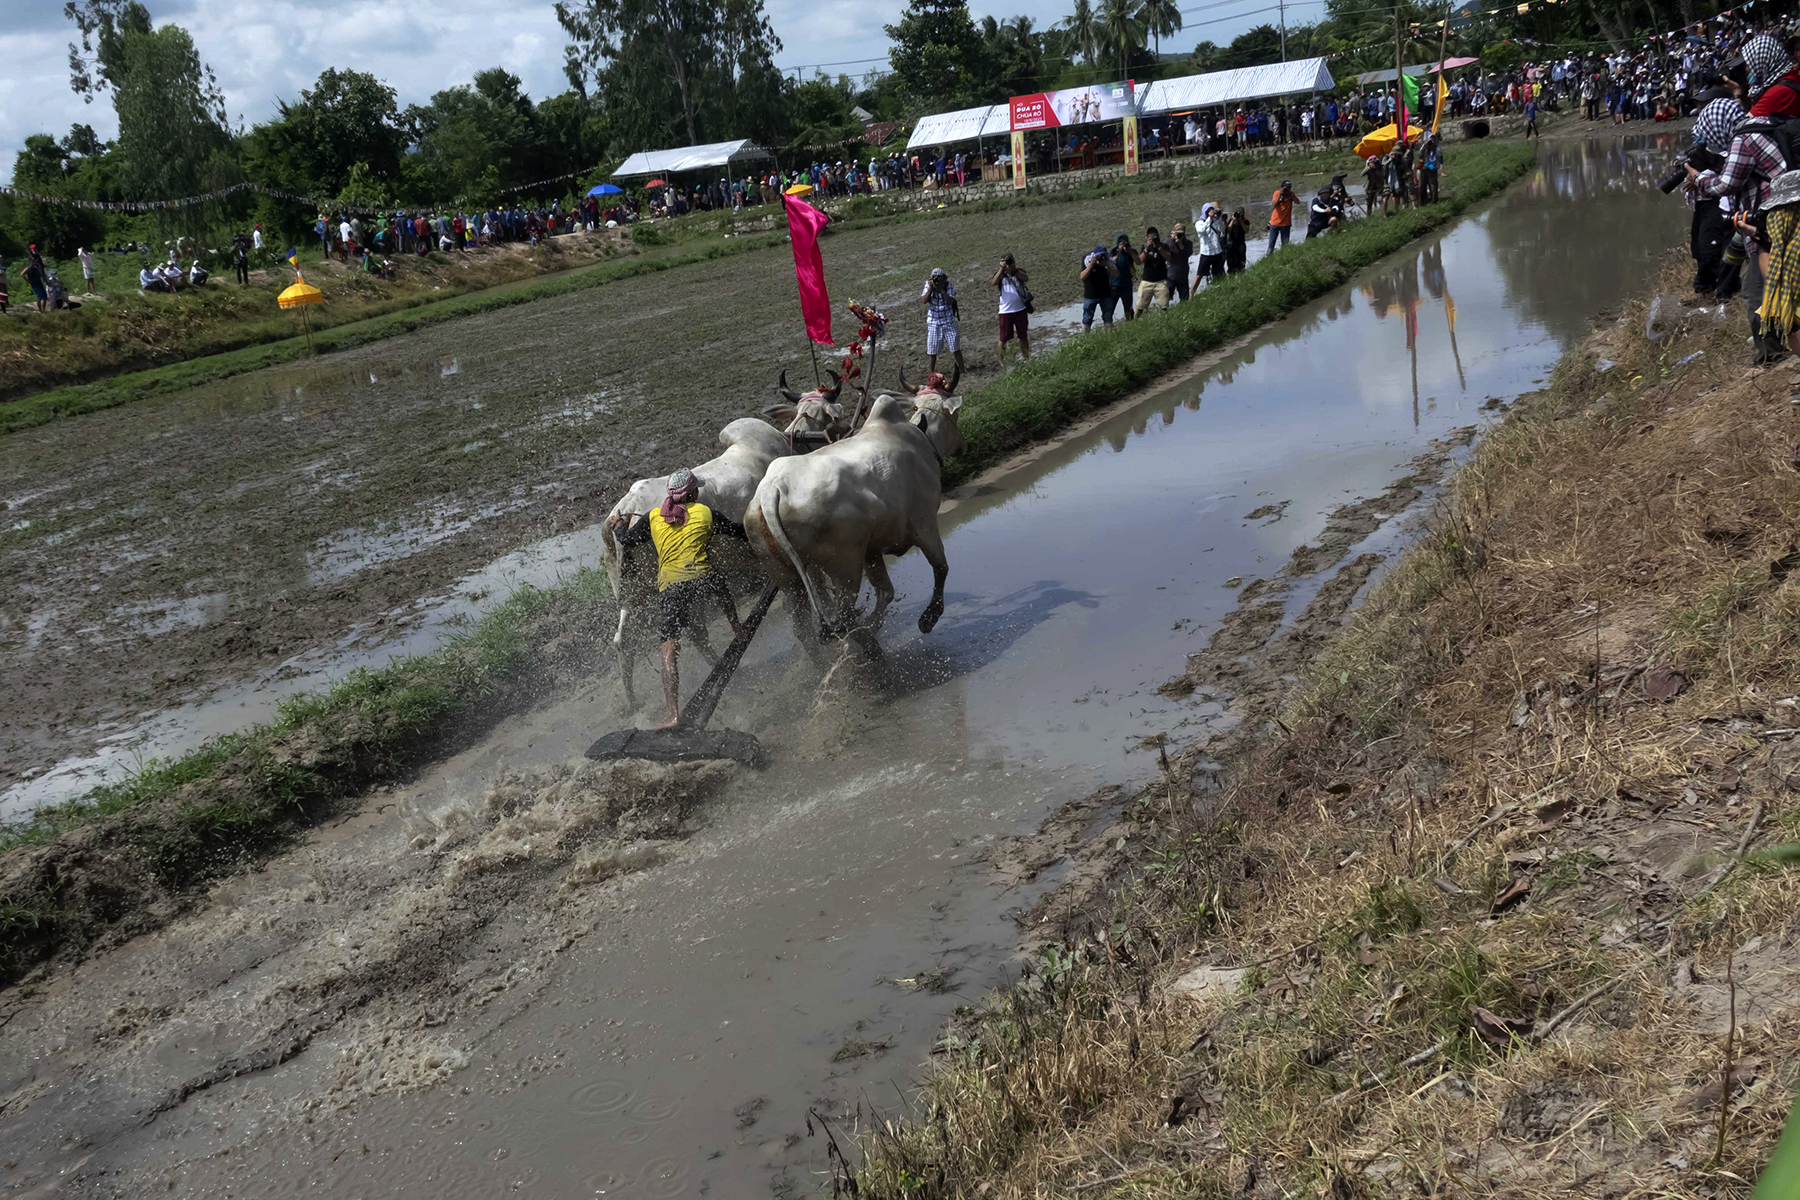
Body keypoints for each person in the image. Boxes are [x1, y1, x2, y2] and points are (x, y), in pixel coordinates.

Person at [612, 469, 748, 728]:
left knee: (669, 650)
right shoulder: (707, 513)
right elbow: (739, 532)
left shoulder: (653, 517)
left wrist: (618, 526)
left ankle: (672, 714)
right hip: (703, 577)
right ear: (694, 493)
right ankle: (738, 628)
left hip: (672, 586)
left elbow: (627, 540)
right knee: (721, 589)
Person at [921, 267, 965, 376]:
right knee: (932, 350)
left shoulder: (948, 285)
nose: (937, 281)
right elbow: (924, 300)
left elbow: (951, 301)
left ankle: (962, 369)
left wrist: (942, 290)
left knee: (955, 347)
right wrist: (931, 288)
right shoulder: (928, 285)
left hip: (948, 320)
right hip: (934, 321)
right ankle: (931, 373)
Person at [993, 252, 1031, 363]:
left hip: (1020, 309)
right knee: (1003, 338)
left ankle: (1027, 358)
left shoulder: (1018, 272)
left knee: (1023, 336)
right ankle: (1001, 362)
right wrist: (1001, 269)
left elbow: (1025, 278)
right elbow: (994, 282)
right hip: (1005, 311)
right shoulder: (1000, 275)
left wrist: (1013, 269)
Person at [1079, 244, 1118, 330]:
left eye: (1103, 255)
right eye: (1099, 255)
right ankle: (1086, 338)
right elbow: (1082, 276)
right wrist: (1091, 265)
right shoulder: (1087, 260)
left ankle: (1109, 336)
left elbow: (1116, 274)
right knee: (1087, 319)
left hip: (1105, 293)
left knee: (1108, 318)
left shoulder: (1108, 261)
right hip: (1090, 294)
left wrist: (1106, 266)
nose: (1101, 257)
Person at [1134, 226, 1172, 313]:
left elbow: (1169, 258)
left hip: (1161, 281)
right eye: (1151, 239)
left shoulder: (1164, 246)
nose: (1153, 240)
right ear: (1147, 238)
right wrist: (1147, 248)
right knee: (1140, 308)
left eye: (1155, 238)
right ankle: (1135, 322)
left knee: (1164, 308)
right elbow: (1139, 261)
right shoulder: (1144, 247)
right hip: (1147, 281)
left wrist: (1159, 247)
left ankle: (1166, 324)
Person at [1197, 203, 1227, 283]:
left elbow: (1222, 229)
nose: (1211, 212)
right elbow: (1202, 230)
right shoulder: (1199, 222)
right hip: (1206, 252)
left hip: (1216, 251)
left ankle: (1215, 287)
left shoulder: (1215, 221)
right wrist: (1209, 218)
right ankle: (1192, 292)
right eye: (1208, 211)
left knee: (1216, 272)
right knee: (1200, 274)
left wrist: (1219, 218)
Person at [1110, 233, 1136, 322]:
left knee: (1128, 309)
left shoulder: (1130, 252)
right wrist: (1119, 252)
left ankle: (1130, 325)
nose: (1124, 244)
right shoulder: (1113, 251)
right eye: (1121, 243)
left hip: (1127, 285)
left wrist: (1129, 251)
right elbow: (1111, 262)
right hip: (1114, 286)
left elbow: (1138, 260)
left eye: (1125, 242)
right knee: (1110, 310)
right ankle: (1108, 327)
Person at [1167, 222, 1194, 303]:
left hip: (1183, 275)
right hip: (1171, 275)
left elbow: (1187, 255)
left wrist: (1180, 243)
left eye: (1181, 234)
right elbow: (1165, 254)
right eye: (1177, 233)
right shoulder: (1169, 242)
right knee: (1166, 297)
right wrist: (1173, 240)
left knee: (1184, 298)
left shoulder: (1188, 243)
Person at [1268, 181, 1295, 252]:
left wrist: (1292, 195)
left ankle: (1284, 258)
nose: (1287, 189)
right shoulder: (1277, 193)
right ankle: (1269, 258)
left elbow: (1297, 202)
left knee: (1285, 244)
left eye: (1289, 188)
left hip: (1286, 223)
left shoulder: (1291, 194)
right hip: (1275, 222)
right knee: (1271, 244)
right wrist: (1280, 195)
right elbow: (1274, 204)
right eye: (1286, 188)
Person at [22, 246, 47, 313]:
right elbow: (22, 274)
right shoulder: (28, 268)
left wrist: (44, 278)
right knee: (39, 297)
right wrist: (27, 281)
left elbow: (41, 273)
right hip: (34, 283)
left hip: (39, 281)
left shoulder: (37, 266)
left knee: (45, 296)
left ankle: (44, 310)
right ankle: (40, 310)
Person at [1224, 209, 1248, 273]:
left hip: (1241, 243)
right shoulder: (1231, 221)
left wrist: (1240, 221)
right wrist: (1232, 220)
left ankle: (1242, 276)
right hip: (1231, 244)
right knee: (1231, 265)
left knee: (1241, 263)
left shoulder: (1245, 221)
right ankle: (1232, 277)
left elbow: (1246, 230)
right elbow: (1228, 230)